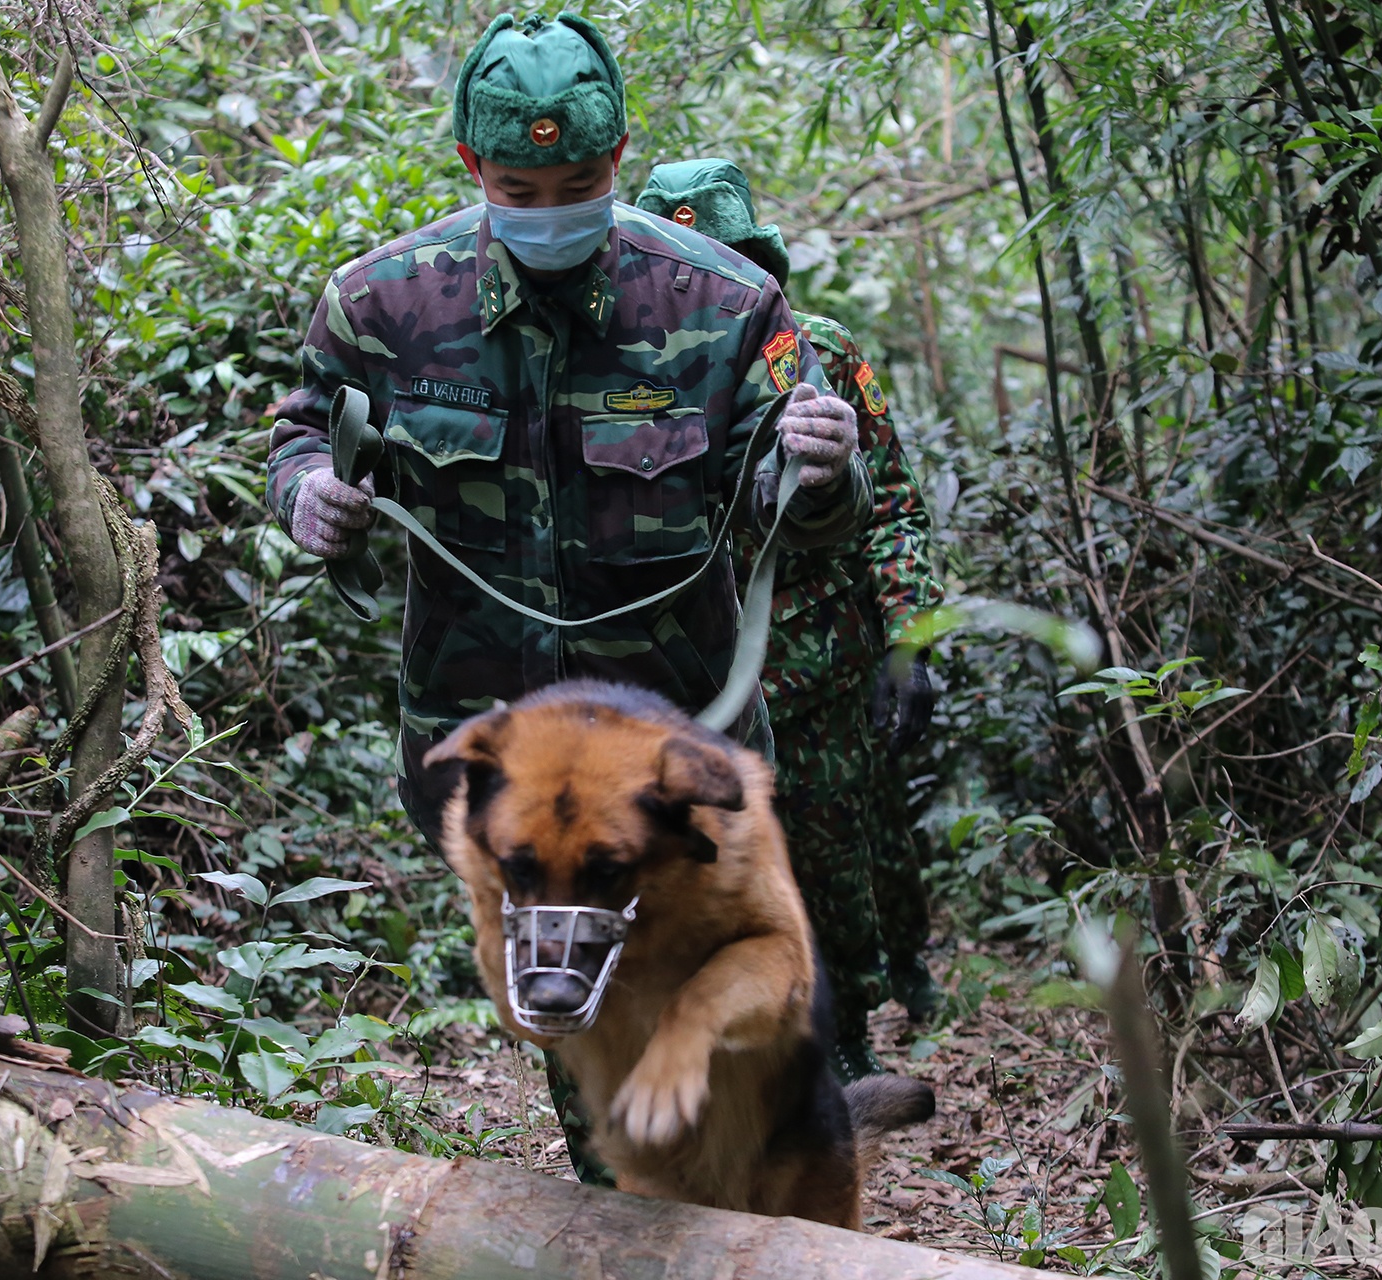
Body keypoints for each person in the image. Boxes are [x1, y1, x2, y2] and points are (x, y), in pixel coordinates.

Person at [267, 14, 869, 1177]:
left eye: (580, 180)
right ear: (471, 170)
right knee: (571, 996)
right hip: (492, 740)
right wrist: (307, 496)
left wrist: (825, 464)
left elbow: (800, 506)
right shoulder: (384, 306)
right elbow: (304, 428)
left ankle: (777, 1198)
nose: (552, 204)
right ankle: (629, 1209)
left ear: (623, 156)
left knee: (732, 975)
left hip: (676, 746)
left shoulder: (728, 304)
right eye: (521, 184)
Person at [635, 160, 946, 1083]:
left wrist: (910, 644)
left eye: (726, 264)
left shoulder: (817, 354)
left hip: (814, 668)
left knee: (829, 862)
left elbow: (891, 505)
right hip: (683, 674)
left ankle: (842, 1035)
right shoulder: (623, 369)